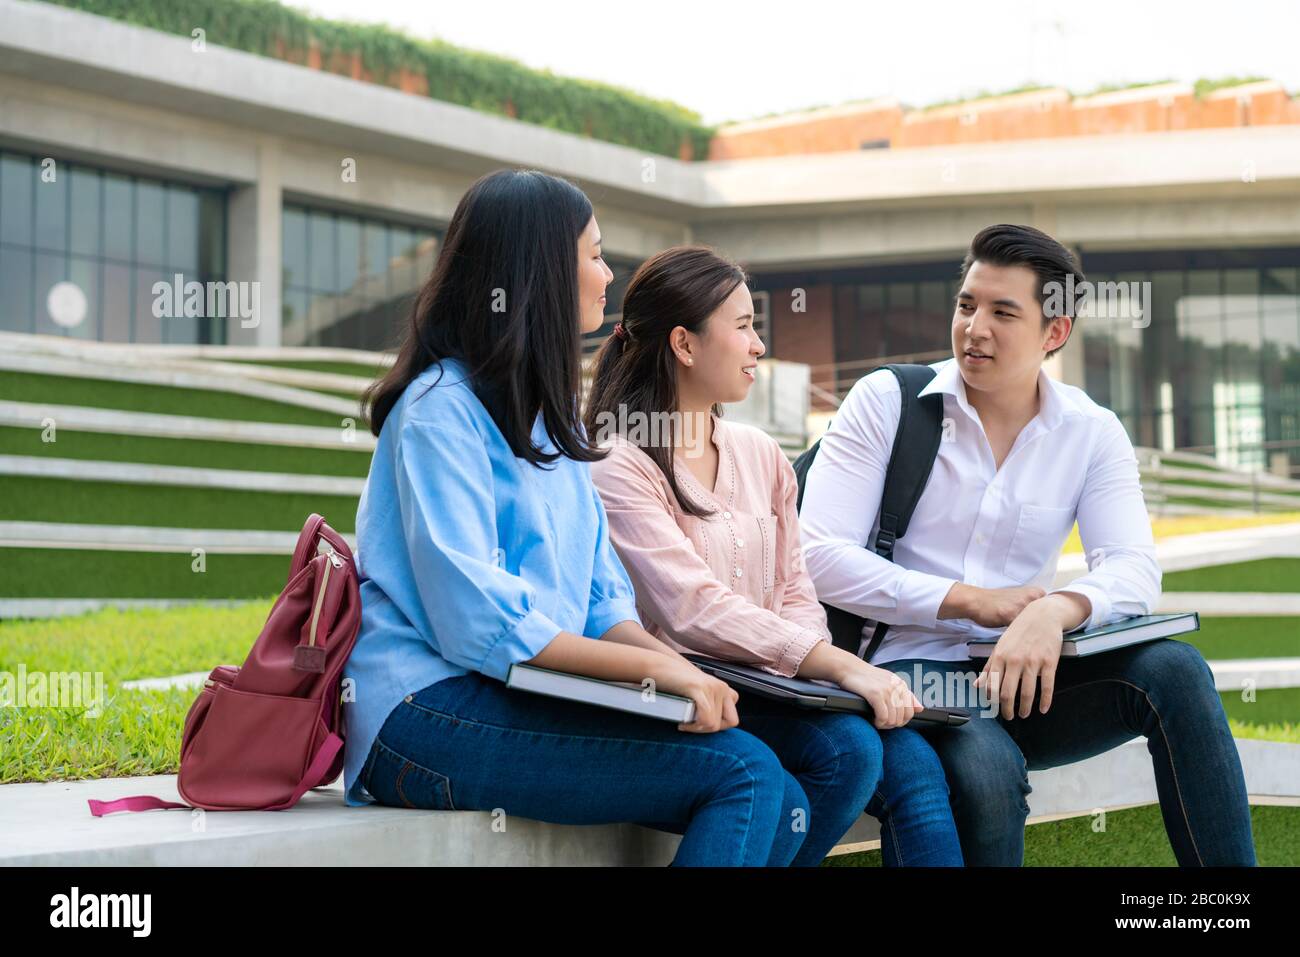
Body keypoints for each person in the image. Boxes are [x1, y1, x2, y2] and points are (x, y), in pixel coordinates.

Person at [343, 168, 823, 866]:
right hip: (421, 714)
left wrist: (675, 669)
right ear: (539, 269)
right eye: (594, 253)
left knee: (787, 797)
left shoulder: (552, 416)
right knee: (744, 773)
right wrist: (662, 677)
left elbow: (602, 604)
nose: (607, 274)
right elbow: (482, 623)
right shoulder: (437, 410)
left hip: (510, 690)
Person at [798, 223, 1256, 866]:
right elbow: (817, 555)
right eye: (966, 305)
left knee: (1176, 671)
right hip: (905, 672)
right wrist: (968, 601)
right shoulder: (888, 402)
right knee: (987, 773)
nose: (973, 328)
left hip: (1029, 678)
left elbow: (1133, 566)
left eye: (1002, 312)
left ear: (1055, 332)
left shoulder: (1091, 431)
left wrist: (1056, 609)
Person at [585, 245, 963, 866]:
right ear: (684, 344)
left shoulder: (760, 453)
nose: (758, 345)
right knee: (838, 756)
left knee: (882, 756)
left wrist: (809, 672)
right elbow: (689, 608)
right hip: (678, 696)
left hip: (769, 686)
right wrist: (839, 668)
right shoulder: (619, 465)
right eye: (742, 327)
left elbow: (796, 588)